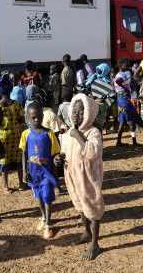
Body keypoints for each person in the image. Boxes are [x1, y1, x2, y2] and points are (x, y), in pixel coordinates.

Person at [55, 94, 104, 260]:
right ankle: (86, 232)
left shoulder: (93, 132)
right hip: (72, 175)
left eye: (81, 112)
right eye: (74, 111)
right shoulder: (70, 130)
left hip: (88, 177)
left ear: (89, 113)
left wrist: (78, 136)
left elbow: (91, 153)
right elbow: (66, 149)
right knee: (80, 205)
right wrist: (60, 157)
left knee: (92, 208)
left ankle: (95, 244)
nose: (77, 115)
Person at [20, 102, 60, 239]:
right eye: (33, 117)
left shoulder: (49, 134)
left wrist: (56, 178)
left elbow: (55, 155)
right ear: (28, 118)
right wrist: (25, 171)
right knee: (39, 197)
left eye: (39, 117)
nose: (37, 120)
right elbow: (24, 153)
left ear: (43, 116)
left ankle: (49, 223)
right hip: (34, 174)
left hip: (46, 174)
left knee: (47, 198)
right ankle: (43, 217)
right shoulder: (25, 134)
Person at [0, 75, 25, 193]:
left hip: (2, 136)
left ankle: (5, 186)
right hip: (16, 134)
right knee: (18, 157)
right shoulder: (16, 104)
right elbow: (22, 119)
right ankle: (21, 183)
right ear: (10, 89)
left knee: (4, 159)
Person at [113, 58, 143, 146]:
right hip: (124, 97)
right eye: (126, 65)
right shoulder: (122, 74)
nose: (128, 67)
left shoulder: (118, 74)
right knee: (130, 118)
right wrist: (126, 89)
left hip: (119, 98)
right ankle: (134, 142)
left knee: (122, 120)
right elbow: (118, 81)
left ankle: (118, 142)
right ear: (120, 65)